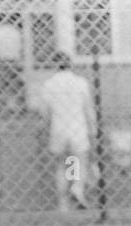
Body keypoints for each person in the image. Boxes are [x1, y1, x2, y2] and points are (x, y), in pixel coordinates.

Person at [39, 51, 96, 212]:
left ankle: (63, 203)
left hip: (58, 128)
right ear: (70, 65)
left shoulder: (48, 85)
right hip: (77, 127)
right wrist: (93, 128)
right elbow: (88, 108)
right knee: (79, 160)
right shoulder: (80, 83)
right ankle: (77, 187)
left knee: (62, 165)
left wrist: (43, 129)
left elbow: (45, 113)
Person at [0, 14, 24, 116]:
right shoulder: (15, 31)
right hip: (14, 60)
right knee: (13, 85)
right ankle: (13, 107)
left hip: (1, 61)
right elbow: (19, 47)